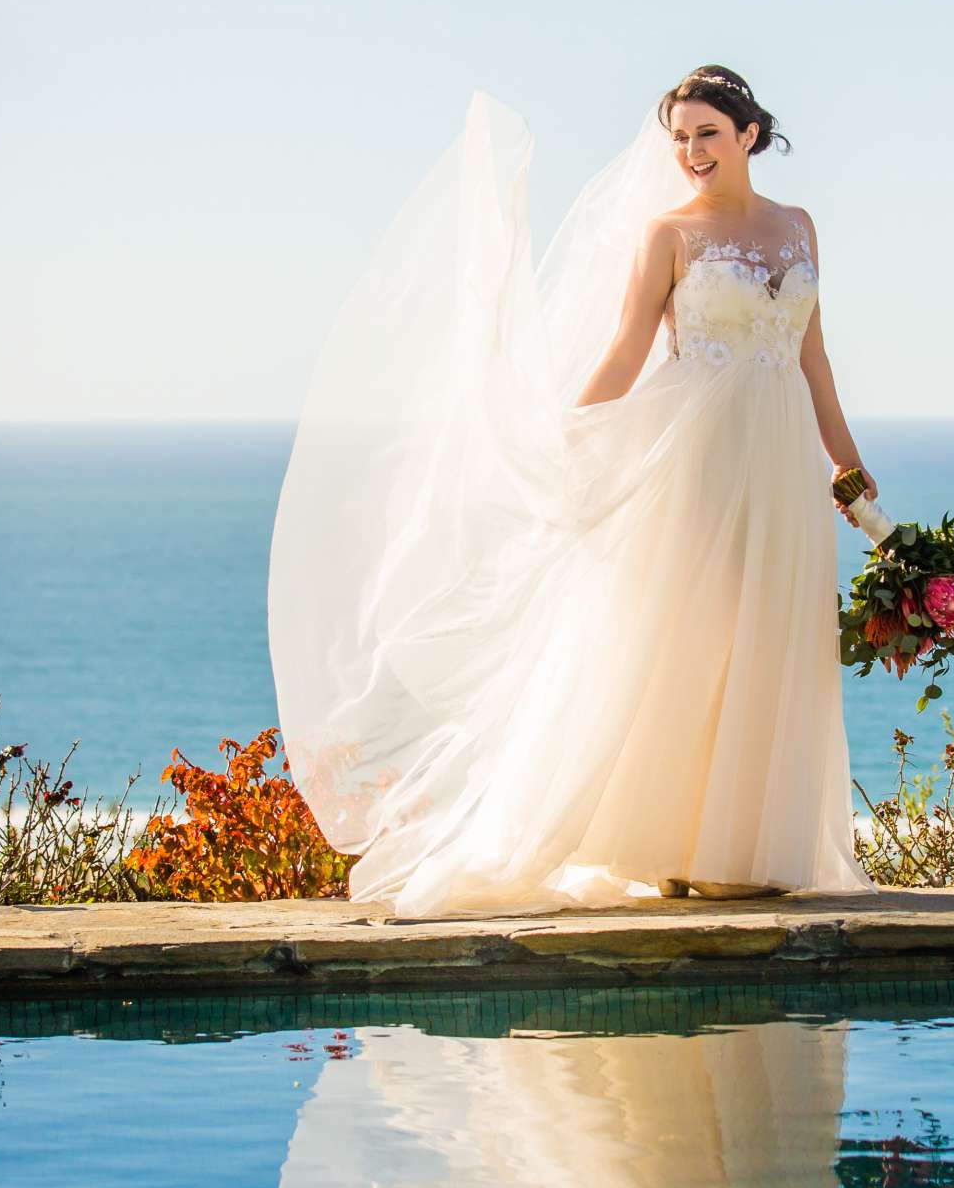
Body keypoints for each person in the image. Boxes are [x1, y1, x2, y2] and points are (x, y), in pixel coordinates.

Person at [267, 64, 882, 918]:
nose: (692, 151)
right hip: (694, 459)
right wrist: (563, 438)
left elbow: (813, 360)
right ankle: (672, 846)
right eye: (680, 137)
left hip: (781, 462)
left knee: (771, 636)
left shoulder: (800, 227)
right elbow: (628, 353)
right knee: (693, 639)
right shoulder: (669, 233)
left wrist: (849, 472)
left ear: (749, 133)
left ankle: (747, 850)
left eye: (707, 132)